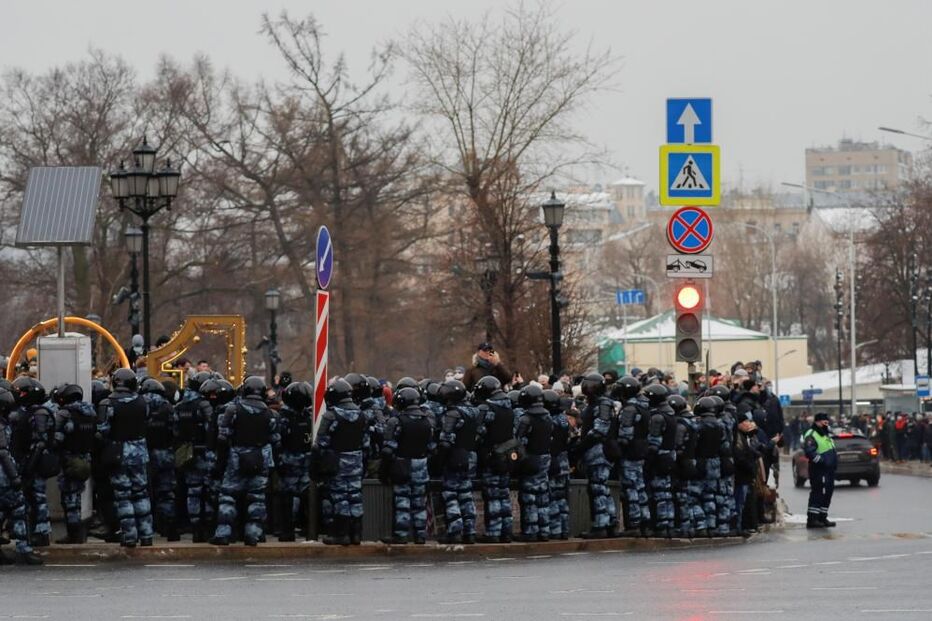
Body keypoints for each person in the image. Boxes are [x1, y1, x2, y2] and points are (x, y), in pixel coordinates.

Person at [210, 376, 279, 546]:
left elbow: (222, 438)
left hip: (236, 459)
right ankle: (253, 534)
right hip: (260, 459)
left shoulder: (233, 409)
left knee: (228, 497)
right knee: (256, 499)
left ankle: (223, 534)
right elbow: (275, 440)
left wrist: (220, 463)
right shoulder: (270, 414)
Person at [98, 368, 154, 547]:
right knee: (141, 494)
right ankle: (146, 535)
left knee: (124, 496)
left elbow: (102, 431)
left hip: (118, 452)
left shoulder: (108, 403)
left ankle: (130, 535)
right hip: (139, 452)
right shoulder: (143, 402)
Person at [313, 378, 367, 546]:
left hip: (337, 461)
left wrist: (316, 468)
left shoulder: (331, 415)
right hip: (356, 461)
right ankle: (356, 534)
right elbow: (366, 442)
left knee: (340, 497)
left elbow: (320, 444)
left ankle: (341, 534)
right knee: (355, 497)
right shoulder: (361, 414)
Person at [380, 386, 435, 545]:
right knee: (419, 503)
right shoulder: (427, 421)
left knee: (402, 501)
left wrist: (384, 471)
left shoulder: (396, 421)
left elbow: (388, 449)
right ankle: (420, 535)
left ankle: (401, 534)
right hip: (421, 466)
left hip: (402, 465)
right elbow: (431, 448)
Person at [9, 377, 55, 547]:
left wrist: (30, 465)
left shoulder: (39, 413)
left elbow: (40, 442)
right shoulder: (25, 411)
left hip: (35, 462)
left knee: (38, 498)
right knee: (29, 499)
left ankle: (42, 533)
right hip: (26, 461)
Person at [0, 386, 42, 564]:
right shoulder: (2, 426)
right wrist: (15, 477)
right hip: (4, 476)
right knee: (19, 509)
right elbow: (2, 452)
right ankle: (24, 549)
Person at [474, 376, 517, 543]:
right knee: (504, 494)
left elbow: (479, 433)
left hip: (491, 455)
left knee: (492, 496)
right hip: (507, 456)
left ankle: (494, 532)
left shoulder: (487, 408)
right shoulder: (509, 407)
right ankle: (506, 531)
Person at [172, 371, 214, 542]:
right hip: (204, 452)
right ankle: (207, 528)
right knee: (209, 491)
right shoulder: (204, 405)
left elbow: (174, 431)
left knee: (192, 492)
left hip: (186, 453)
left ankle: (195, 527)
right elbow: (211, 428)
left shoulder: (180, 406)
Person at [53, 384, 97, 544]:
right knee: (77, 496)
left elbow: (56, 438)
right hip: (85, 459)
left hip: (69, 460)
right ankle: (78, 533)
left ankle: (74, 535)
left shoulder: (65, 414)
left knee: (69, 499)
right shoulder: (90, 413)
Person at [437, 379, 480, 544]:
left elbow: (446, 440)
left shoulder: (453, 413)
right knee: (466, 495)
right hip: (471, 457)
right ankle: (470, 531)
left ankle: (455, 531)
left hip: (455, 457)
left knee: (451, 495)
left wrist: (440, 460)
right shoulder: (474, 411)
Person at [578, 373, 620, 538]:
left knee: (598, 488)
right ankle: (610, 522)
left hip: (600, 451)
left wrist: (581, 446)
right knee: (601, 488)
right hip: (595, 451)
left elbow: (599, 430)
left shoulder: (603, 404)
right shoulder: (595, 404)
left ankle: (601, 525)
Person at [140, 378, 179, 542]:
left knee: (143, 493)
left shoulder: (140, 405)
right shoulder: (168, 407)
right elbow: (176, 431)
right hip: (165, 453)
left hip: (144, 454)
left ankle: (146, 531)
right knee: (166, 492)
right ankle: (170, 529)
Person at [275, 381, 313, 542]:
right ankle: (291, 529)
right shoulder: (285, 417)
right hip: (293, 462)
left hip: (297, 462)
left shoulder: (305, 416)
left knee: (299, 497)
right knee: (290, 499)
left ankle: (300, 528)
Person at [514, 384, 553, 542]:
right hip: (545, 458)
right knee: (542, 496)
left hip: (530, 459)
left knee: (529, 497)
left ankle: (530, 530)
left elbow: (519, 441)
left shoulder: (526, 418)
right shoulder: (548, 416)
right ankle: (544, 530)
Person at [615, 376, 651, 537]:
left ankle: (634, 524)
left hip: (630, 453)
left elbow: (625, 435)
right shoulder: (644, 407)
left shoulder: (629, 409)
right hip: (641, 451)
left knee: (630, 489)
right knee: (640, 487)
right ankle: (645, 521)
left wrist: (617, 448)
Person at [694, 396, 730, 537]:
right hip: (715, 462)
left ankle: (702, 526)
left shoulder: (697, 425)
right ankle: (713, 525)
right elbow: (725, 447)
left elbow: (692, 445)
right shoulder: (720, 425)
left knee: (696, 495)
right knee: (711, 496)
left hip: (701, 461)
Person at [645, 383, 676, 538]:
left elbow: (653, 443)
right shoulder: (670, 414)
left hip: (660, 459)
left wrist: (647, 462)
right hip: (669, 456)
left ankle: (662, 525)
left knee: (659, 494)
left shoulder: (657, 416)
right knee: (666, 492)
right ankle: (668, 523)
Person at [545, 389, 573, 540]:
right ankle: (565, 529)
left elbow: (551, 443)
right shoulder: (563, 419)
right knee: (562, 498)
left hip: (554, 460)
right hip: (564, 461)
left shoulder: (550, 420)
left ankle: (555, 530)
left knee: (553, 497)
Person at [803, 412, 837, 529]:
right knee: (818, 493)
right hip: (819, 470)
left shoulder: (825, 434)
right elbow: (810, 451)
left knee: (827, 493)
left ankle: (822, 517)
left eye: (827, 422)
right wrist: (821, 461)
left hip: (828, 470)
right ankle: (812, 519)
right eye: (824, 422)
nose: (826, 424)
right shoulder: (811, 433)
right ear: (818, 422)